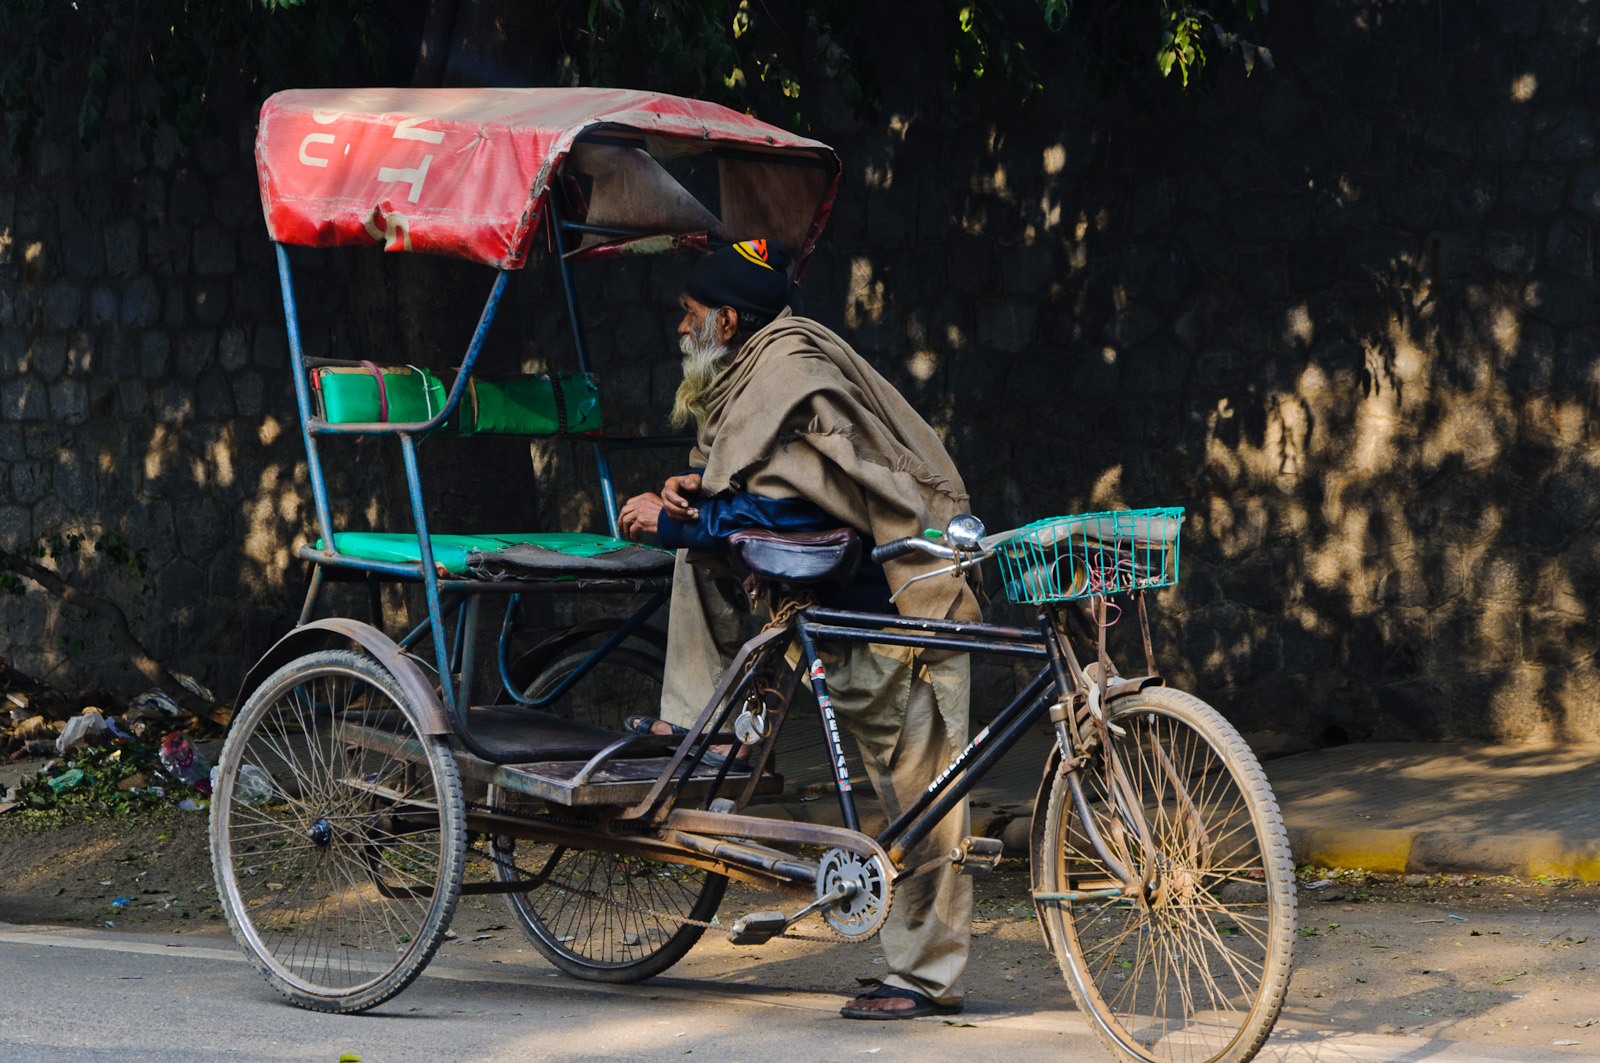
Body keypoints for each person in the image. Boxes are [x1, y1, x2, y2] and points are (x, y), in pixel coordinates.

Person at [618, 239, 979, 1020]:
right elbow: (775, 479)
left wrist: (685, 519)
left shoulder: (784, 372)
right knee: (905, 789)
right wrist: (702, 493)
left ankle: (924, 976)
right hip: (833, 603)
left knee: (923, 793)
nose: (681, 330)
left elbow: (795, 507)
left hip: (886, 608)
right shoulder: (767, 365)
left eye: (689, 317)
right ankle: (706, 725)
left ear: (726, 319)